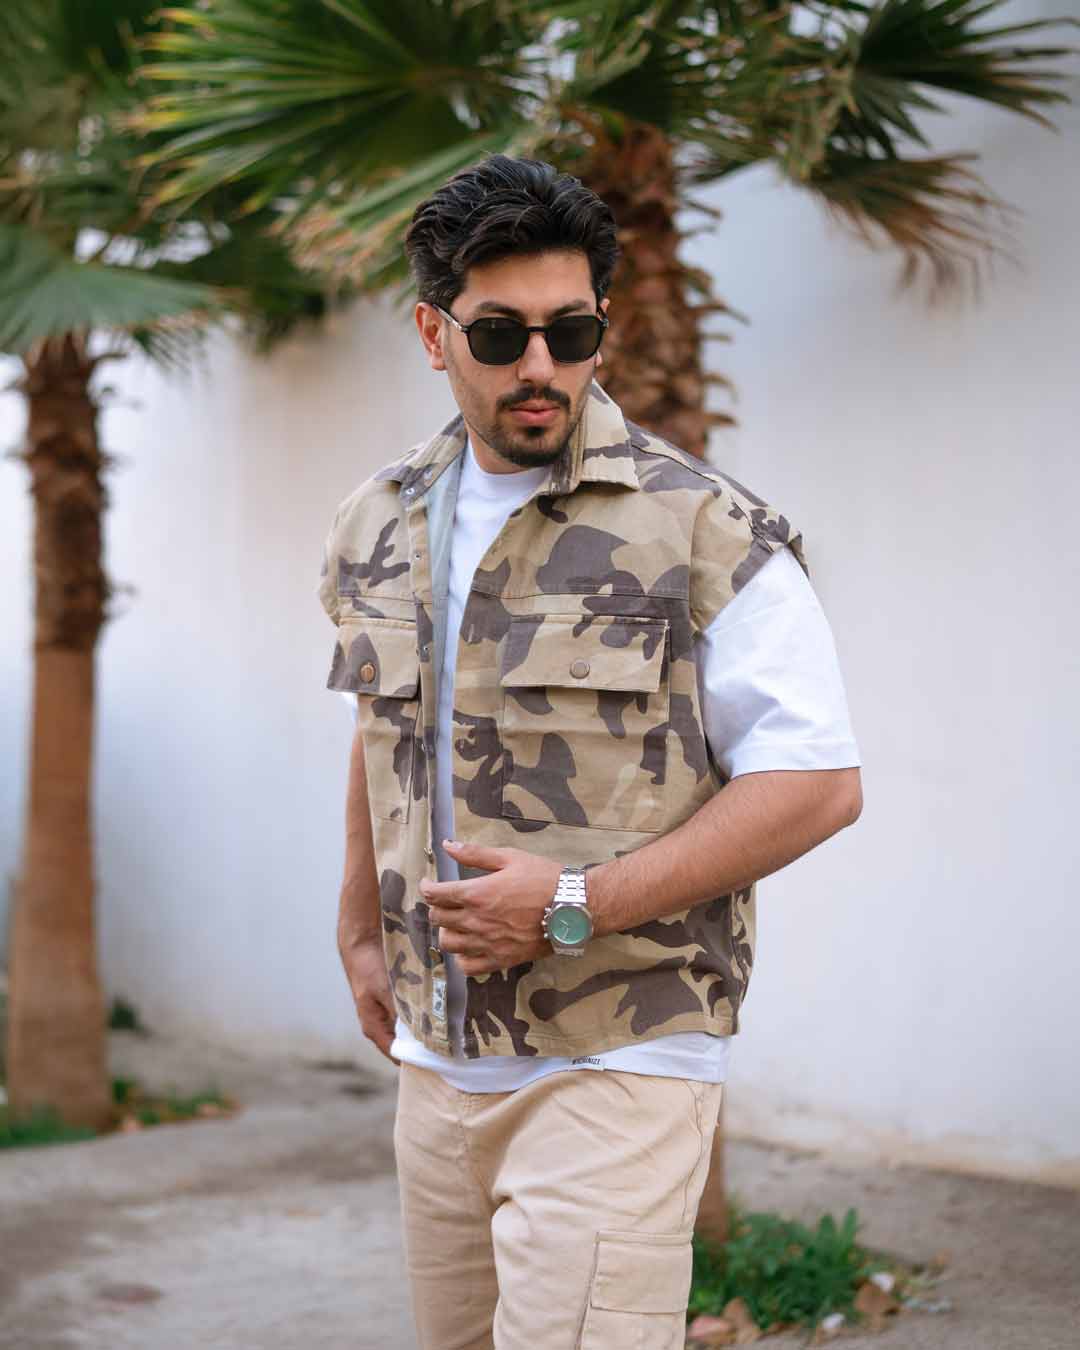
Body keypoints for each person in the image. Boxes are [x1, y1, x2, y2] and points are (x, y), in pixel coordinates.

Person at [320, 155, 862, 1350]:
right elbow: (382, 731)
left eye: (571, 333)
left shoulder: (704, 527)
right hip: (435, 1058)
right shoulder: (376, 521)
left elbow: (818, 785)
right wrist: (359, 924)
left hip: (621, 1060)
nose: (540, 367)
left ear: (602, 325)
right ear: (433, 332)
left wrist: (572, 903)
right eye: (501, 334)